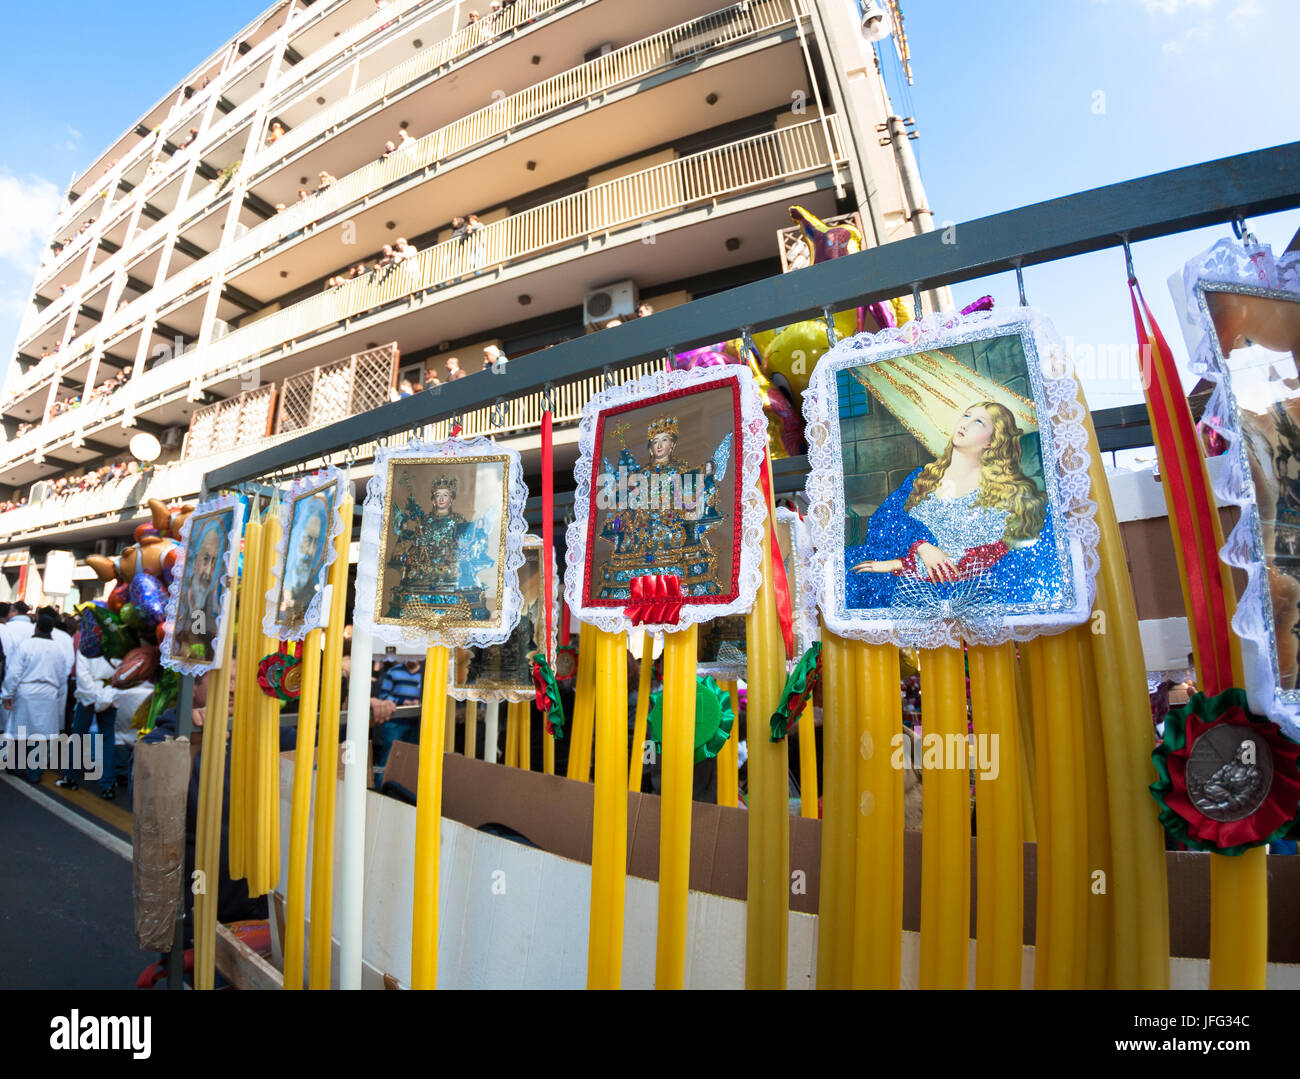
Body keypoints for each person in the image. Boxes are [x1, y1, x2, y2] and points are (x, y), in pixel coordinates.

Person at [845, 401, 1053, 609]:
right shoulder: (922, 477)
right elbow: (884, 520)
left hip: (959, 594)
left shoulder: (1004, 493)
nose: (965, 424)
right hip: (901, 582)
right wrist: (922, 546)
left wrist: (901, 563)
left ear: (992, 441)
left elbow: (986, 557)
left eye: (978, 422)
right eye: (966, 416)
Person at [596, 416, 730, 599]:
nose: (659, 446)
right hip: (643, 524)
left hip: (670, 522)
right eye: (655, 442)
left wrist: (704, 469)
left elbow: (690, 481)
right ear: (650, 448)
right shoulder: (642, 473)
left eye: (664, 440)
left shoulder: (680, 468)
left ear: (672, 445)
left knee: (676, 533)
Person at [1, 610, 73, 782]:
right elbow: (63, 676)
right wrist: (59, 698)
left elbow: (13, 673)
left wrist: (6, 694)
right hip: (49, 694)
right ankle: (35, 772)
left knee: (21, 732)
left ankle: (17, 767)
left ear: (36, 628)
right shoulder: (58, 649)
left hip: (26, 693)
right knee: (41, 735)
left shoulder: (26, 645)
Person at [173, 518, 227, 662]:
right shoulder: (180, 598)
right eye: (205, 559)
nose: (208, 571)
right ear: (195, 559)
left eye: (214, 562)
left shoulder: (210, 605)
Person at [278, 495, 331, 628]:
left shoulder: (313, 598)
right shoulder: (277, 581)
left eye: (315, 541)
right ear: (297, 537)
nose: (310, 550)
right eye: (307, 539)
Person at [371, 657, 424, 774]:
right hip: (395, 721)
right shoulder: (393, 671)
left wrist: (419, 702)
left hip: (416, 723)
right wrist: (401, 702)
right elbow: (384, 695)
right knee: (389, 758)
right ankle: (382, 787)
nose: (414, 658)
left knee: (411, 760)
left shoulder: (425, 673)